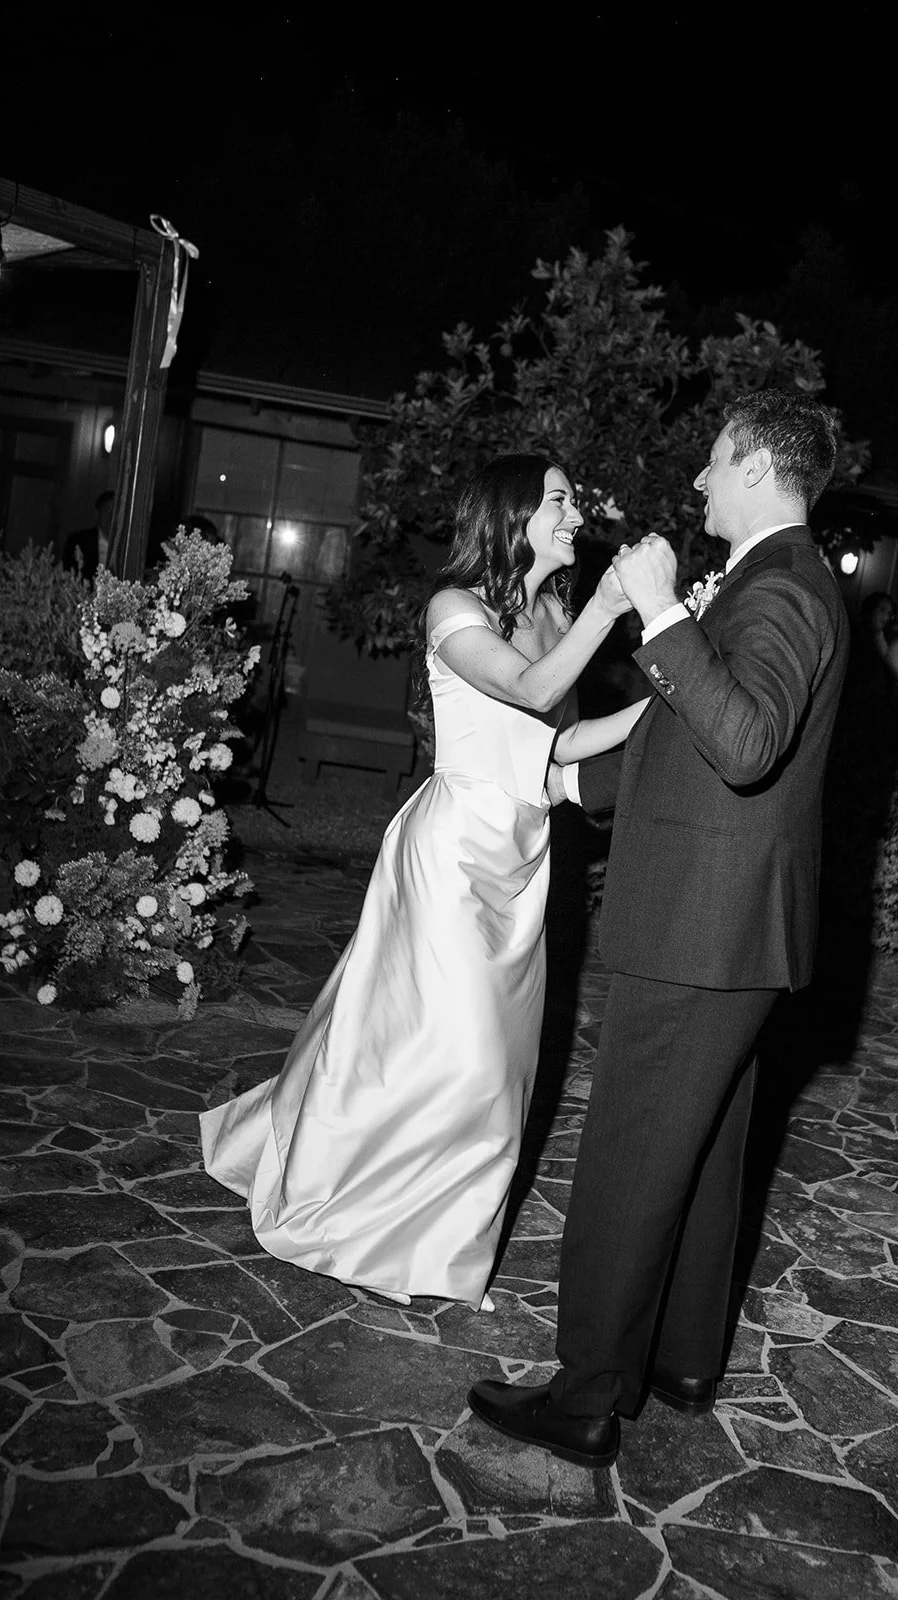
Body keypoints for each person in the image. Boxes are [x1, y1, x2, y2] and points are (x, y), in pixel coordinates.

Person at [468, 389, 850, 1468]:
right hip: (727, 925)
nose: (694, 483)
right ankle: (682, 1358)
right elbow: (688, 731)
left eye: (711, 464)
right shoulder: (781, 580)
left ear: (757, 468)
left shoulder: (781, 587)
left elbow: (742, 743)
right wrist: (558, 778)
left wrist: (663, 612)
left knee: (632, 1154)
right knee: (707, 1145)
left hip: (699, 924)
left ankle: (585, 1395)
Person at [200, 455, 646, 1311]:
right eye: (557, 501)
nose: (574, 515)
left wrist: (673, 691)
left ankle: (436, 1231)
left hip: (523, 852)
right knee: (457, 1049)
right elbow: (526, 687)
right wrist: (610, 608)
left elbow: (563, 739)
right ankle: (399, 1229)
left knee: (498, 1061)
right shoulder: (456, 608)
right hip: (451, 853)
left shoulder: (551, 609)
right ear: (511, 514)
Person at [61, 489, 114, 580]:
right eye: (107, 511)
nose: (111, 517)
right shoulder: (78, 541)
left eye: (115, 512)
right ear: (97, 513)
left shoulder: (128, 545)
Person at [859, 591, 898, 664]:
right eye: (882, 610)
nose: (886, 617)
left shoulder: (889, 638)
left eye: (889, 613)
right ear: (871, 609)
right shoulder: (854, 634)